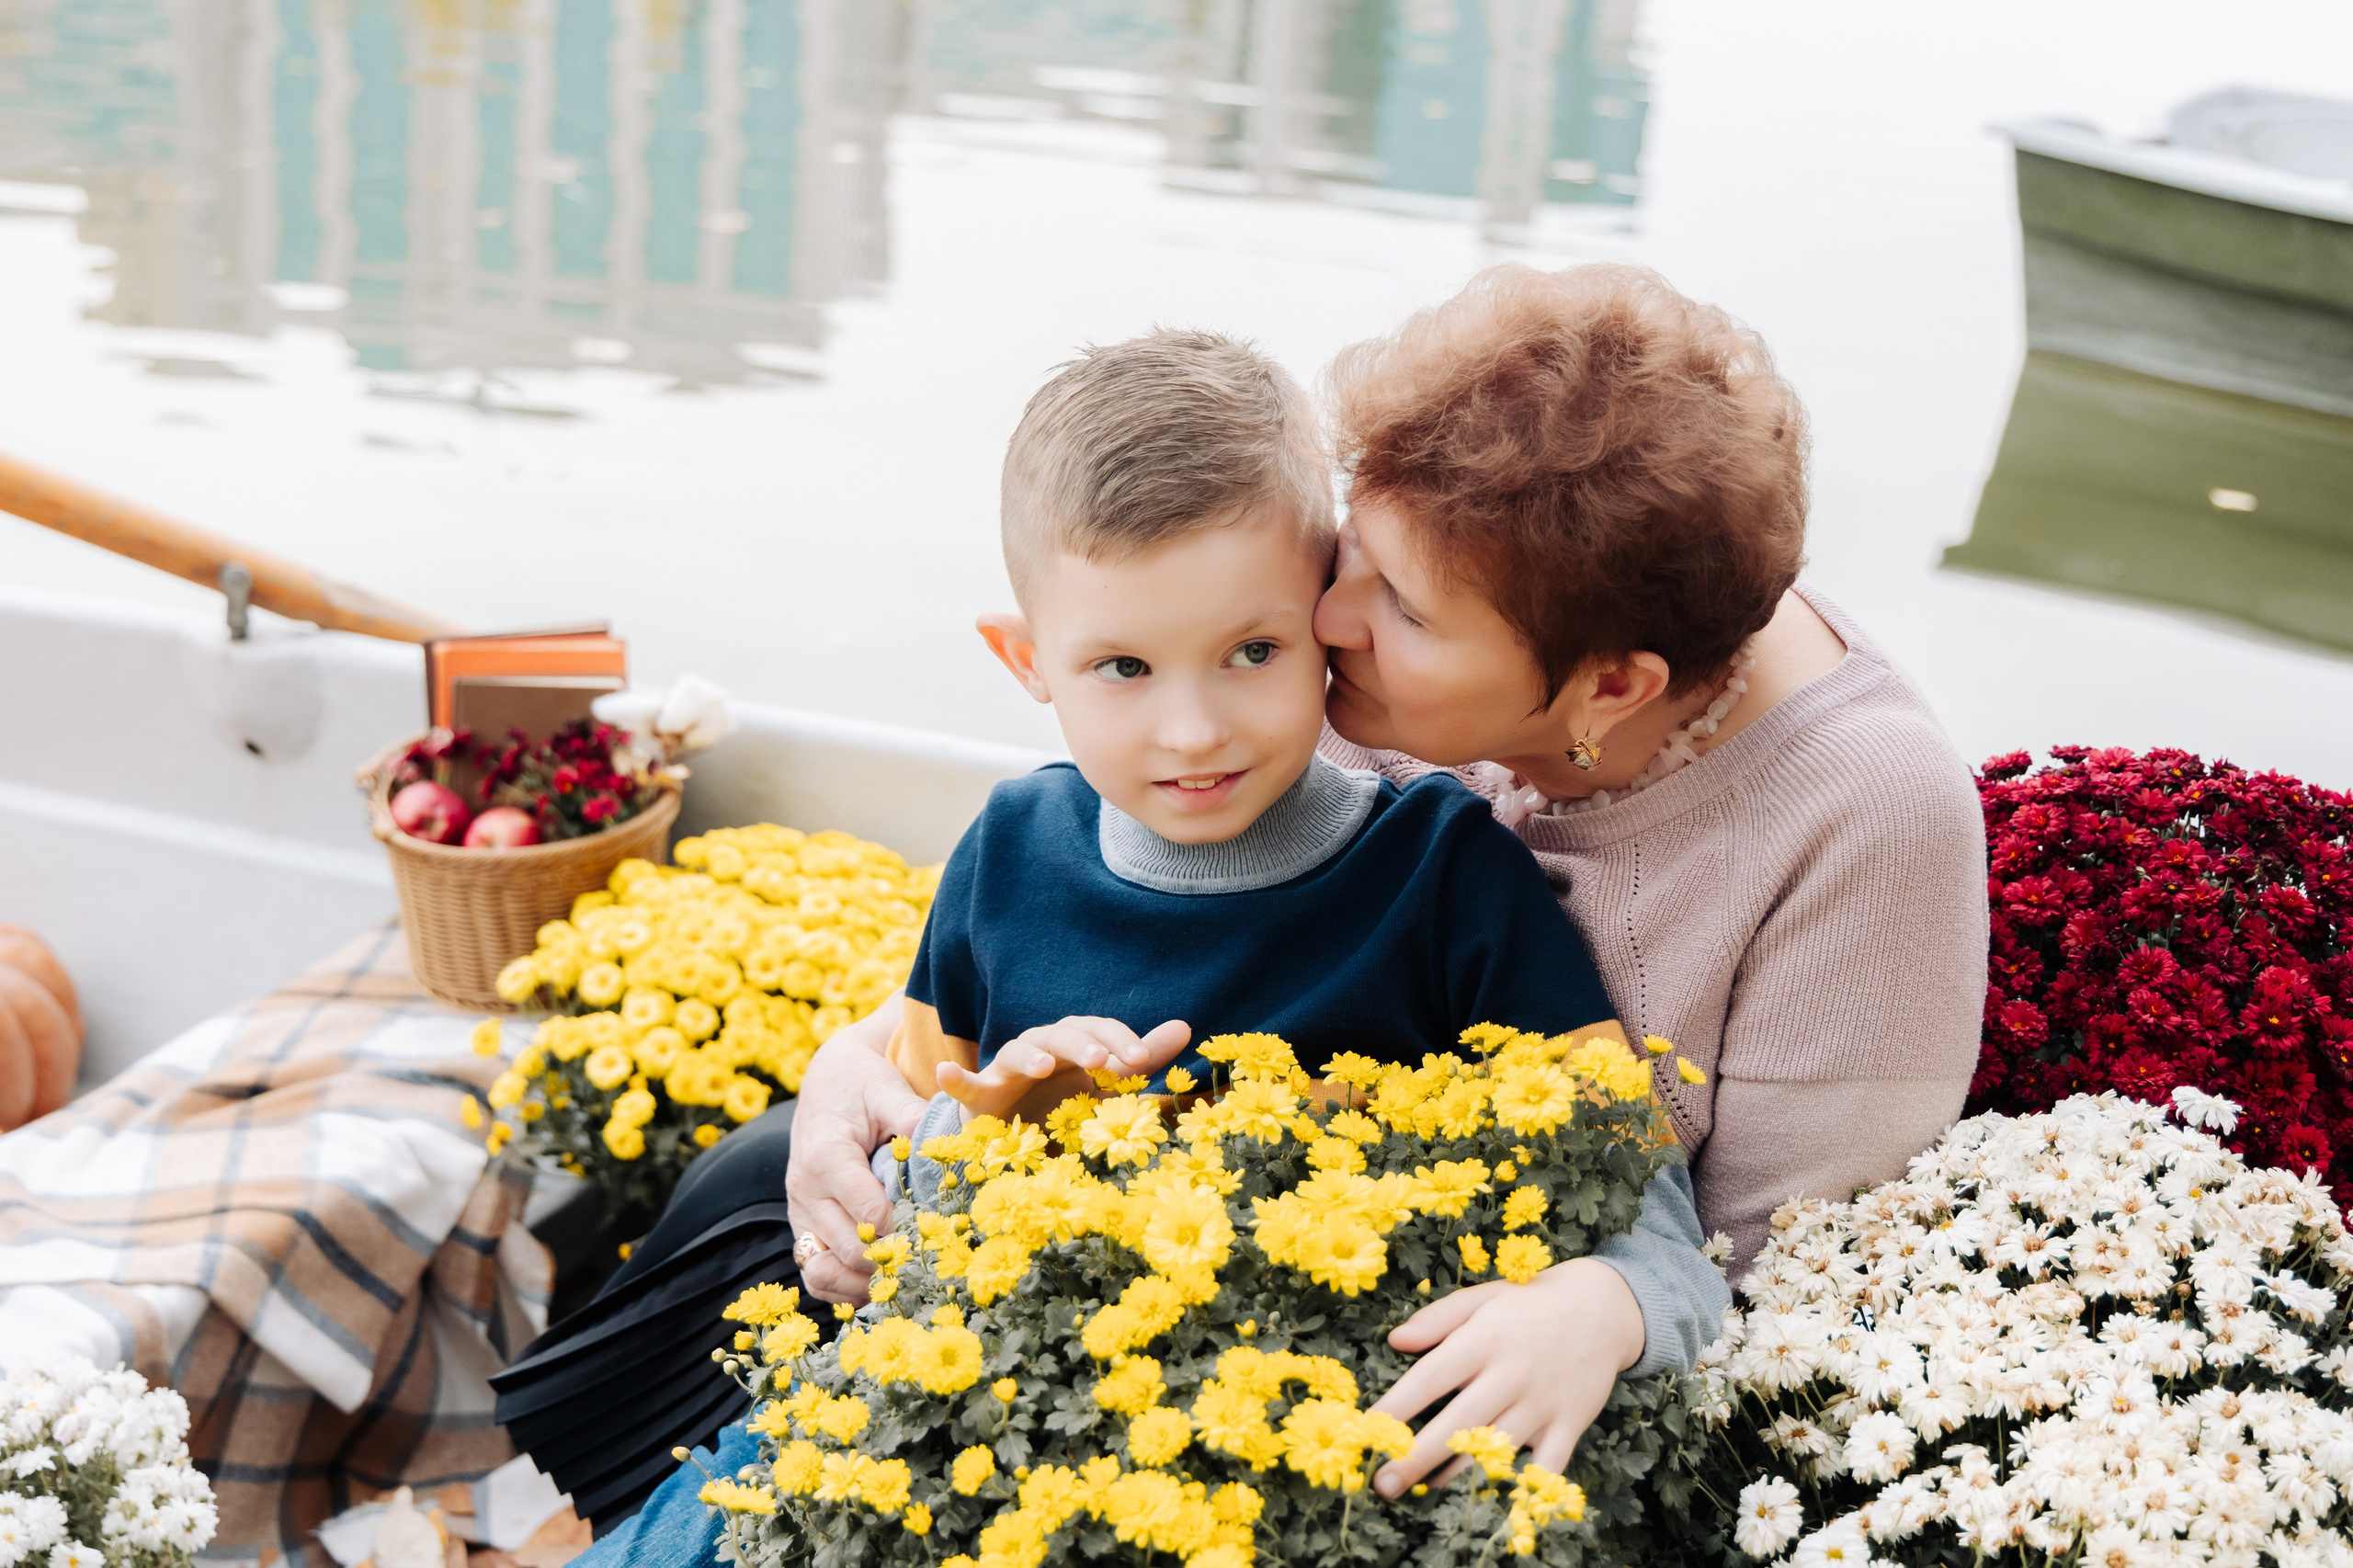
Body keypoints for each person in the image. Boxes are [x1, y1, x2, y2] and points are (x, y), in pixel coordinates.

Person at [497, 324, 1727, 1535]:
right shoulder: (1009, 857)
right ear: (1027, 660)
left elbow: (1649, 1209)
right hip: (974, 1441)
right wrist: (976, 1136)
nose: (1192, 730)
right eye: (1123, 668)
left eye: (1253, 650)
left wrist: (1603, 1305)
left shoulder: (1445, 876)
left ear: (1328, 615)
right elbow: (891, 1210)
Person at [785, 264, 1987, 1501]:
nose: (1328, 615)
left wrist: (1611, 1298)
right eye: (1356, 547)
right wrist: (856, 1074)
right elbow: (1047, 956)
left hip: (1442, 1382)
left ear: (1608, 690)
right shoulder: (1319, 663)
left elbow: (1760, 1276)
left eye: (1400, 606)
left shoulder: (1857, 817)